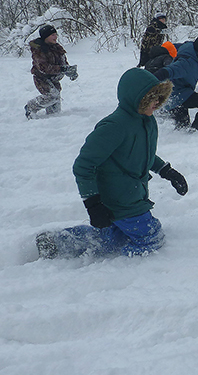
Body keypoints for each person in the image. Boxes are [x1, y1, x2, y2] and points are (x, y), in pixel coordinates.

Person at [34, 68, 187, 259]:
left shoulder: (146, 121)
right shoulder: (114, 126)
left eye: (159, 97)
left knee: (112, 236)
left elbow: (142, 153)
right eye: (151, 98)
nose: (157, 102)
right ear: (136, 98)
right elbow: (83, 165)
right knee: (151, 237)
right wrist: (93, 205)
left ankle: (57, 242)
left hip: (133, 193)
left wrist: (167, 171)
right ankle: (126, 268)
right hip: (119, 197)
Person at [25, 24, 77, 118]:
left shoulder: (57, 47)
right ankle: (31, 107)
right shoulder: (39, 49)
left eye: (56, 34)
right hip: (42, 78)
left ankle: (51, 120)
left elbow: (63, 62)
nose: (55, 37)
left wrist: (70, 71)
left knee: (55, 112)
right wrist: (61, 69)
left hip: (54, 79)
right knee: (52, 96)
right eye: (52, 35)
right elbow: (43, 68)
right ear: (46, 36)